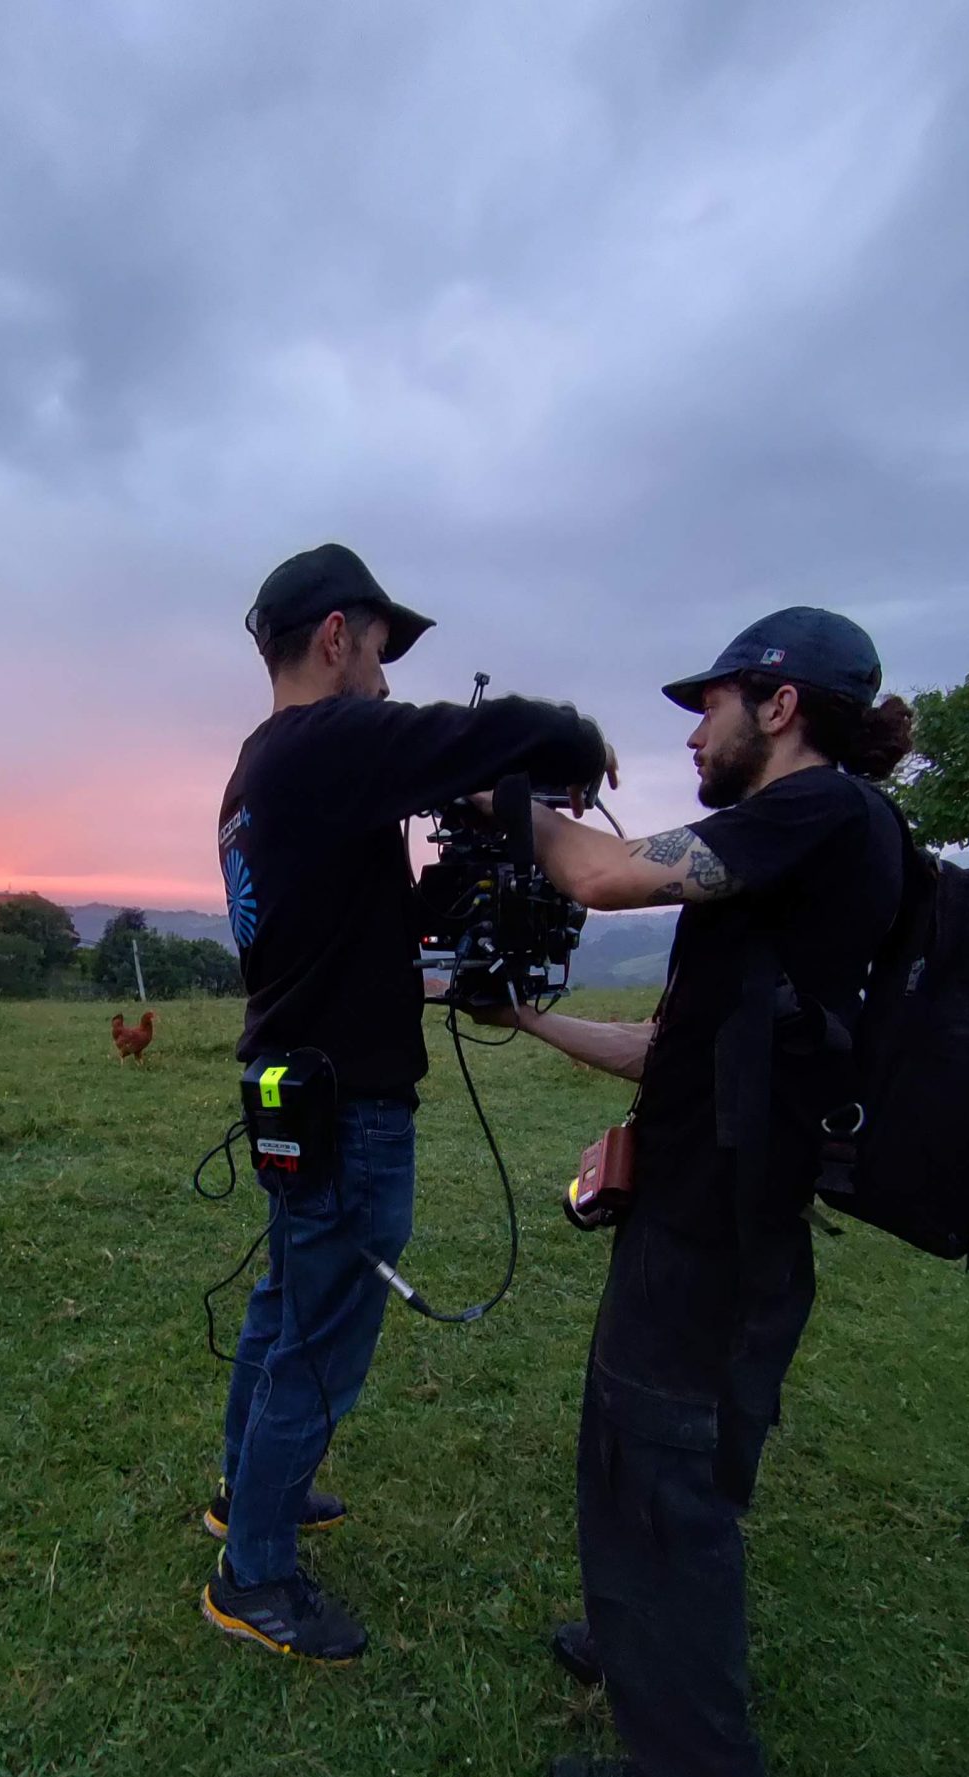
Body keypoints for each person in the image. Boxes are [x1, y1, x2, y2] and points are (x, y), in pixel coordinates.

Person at [484, 607, 911, 1777]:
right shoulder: (795, 855)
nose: (693, 725)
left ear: (779, 704)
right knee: (643, 1445)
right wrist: (528, 1014)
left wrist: (507, 791)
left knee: (666, 1467)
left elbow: (604, 875)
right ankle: (635, 1636)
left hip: (719, 1226)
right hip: (705, 1208)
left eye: (710, 700)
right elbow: (672, 1052)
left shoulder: (819, 810)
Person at [203, 542, 613, 1663]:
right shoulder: (325, 742)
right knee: (319, 1343)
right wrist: (573, 737)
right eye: (380, 646)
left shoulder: (261, 769)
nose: (385, 674)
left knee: (284, 1307)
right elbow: (480, 733)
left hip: (295, 1082)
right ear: (338, 635)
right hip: (351, 1100)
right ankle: (256, 1575)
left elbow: (345, 919)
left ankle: (246, 1498)